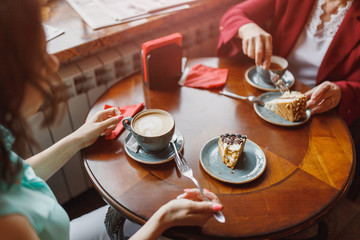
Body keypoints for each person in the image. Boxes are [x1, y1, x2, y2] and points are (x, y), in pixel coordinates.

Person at [0, 0, 223, 240]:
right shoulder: (9, 224)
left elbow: (20, 173)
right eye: (39, 54)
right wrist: (163, 219)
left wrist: (78, 137)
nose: (53, 63)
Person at [216, 0, 360, 128]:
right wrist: (247, 28)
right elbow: (233, 15)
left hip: (317, 112)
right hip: (266, 92)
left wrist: (340, 90)